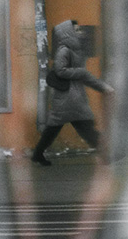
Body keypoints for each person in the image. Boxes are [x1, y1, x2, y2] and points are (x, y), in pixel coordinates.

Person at [31, 19, 113, 166]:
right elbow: (60, 70)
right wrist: (82, 73)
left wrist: (102, 87)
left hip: (70, 97)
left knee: (54, 130)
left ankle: (38, 153)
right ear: (68, 33)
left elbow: (85, 77)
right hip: (68, 98)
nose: (79, 32)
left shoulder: (74, 50)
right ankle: (107, 155)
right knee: (86, 128)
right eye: (76, 30)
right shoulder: (64, 50)